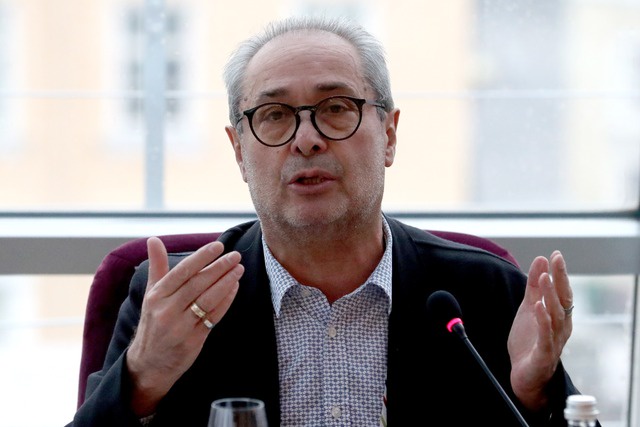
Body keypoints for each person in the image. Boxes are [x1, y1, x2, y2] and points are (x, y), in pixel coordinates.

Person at [68, 15, 598, 427]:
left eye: (336, 107)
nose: (307, 139)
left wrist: (536, 395)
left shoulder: (485, 293)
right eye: (274, 115)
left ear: (389, 135)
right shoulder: (175, 301)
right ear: (239, 152)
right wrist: (141, 380)